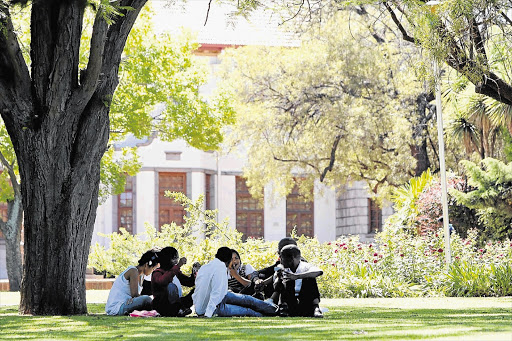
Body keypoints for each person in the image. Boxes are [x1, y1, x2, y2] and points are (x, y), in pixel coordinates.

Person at [192, 246, 278, 318]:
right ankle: (274, 311)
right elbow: (216, 292)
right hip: (214, 306)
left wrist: (198, 308)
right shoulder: (221, 268)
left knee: (247, 300)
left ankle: (273, 309)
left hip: (209, 303)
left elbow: (197, 290)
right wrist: (208, 314)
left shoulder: (205, 267)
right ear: (229, 260)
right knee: (248, 310)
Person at [271, 244, 324, 318]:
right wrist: (279, 278)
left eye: (282, 258)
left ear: (292, 258)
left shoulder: (305, 266)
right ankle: (283, 308)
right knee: (287, 278)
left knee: (310, 277)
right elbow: (276, 287)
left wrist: (297, 276)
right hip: (290, 304)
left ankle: (316, 308)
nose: (280, 261)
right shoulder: (281, 268)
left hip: (305, 303)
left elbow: (319, 272)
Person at [105, 250, 159, 315]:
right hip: (117, 307)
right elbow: (135, 295)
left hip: (126, 304)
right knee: (147, 299)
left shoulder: (142, 276)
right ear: (146, 265)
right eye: (153, 269)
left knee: (150, 300)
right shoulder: (133, 271)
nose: (152, 272)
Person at [151, 246, 196, 317]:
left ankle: (180, 309)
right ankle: (179, 310)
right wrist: (178, 266)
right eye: (174, 258)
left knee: (196, 290)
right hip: (163, 305)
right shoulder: (157, 272)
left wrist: (194, 274)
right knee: (171, 286)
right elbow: (163, 281)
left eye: (176, 258)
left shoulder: (175, 271)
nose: (176, 261)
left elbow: (189, 283)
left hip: (177, 303)